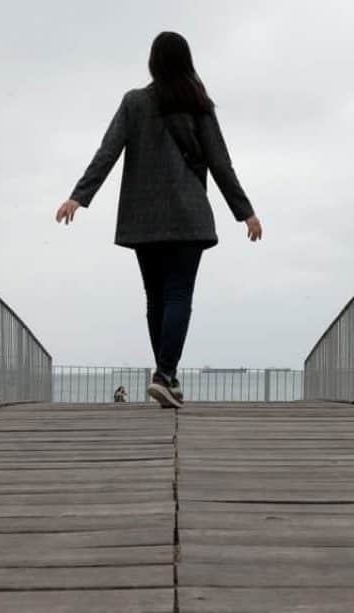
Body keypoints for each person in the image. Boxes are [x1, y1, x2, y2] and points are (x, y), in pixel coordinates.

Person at [55, 31, 262, 410]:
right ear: (187, 62)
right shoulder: (199, 105)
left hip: (142, 219)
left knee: (155, 298)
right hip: (187, 216)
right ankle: (165, 375)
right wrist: (245, 212)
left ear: (153, 61)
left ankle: (168, 376)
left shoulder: (134, 103)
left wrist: (78, 197)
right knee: (179, 294)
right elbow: (220, 162)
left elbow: (108, 151)